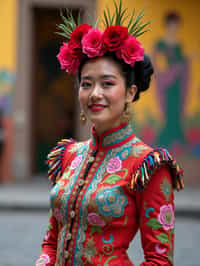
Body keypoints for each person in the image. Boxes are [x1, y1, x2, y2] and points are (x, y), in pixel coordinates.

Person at [35, 2, 184, 265]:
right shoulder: (68, 155)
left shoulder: (147, 165)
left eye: (107, 83)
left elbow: (159, 260)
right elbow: (52, 239)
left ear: (130, 92)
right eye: (86, 83)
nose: (95, 94)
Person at [153, 12, 189, 152]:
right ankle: (166, 139)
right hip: (166, 86)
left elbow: (182, 64)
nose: (174, 28)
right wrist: (171, 72)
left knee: (176, 112)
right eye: (172, 24)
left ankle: (177, 139)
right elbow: (158, 65)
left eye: (176, 25)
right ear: (167, 25)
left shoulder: (179, 45)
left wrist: (186, 61)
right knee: (168, 113)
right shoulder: (160, 44)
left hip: (177, 86)